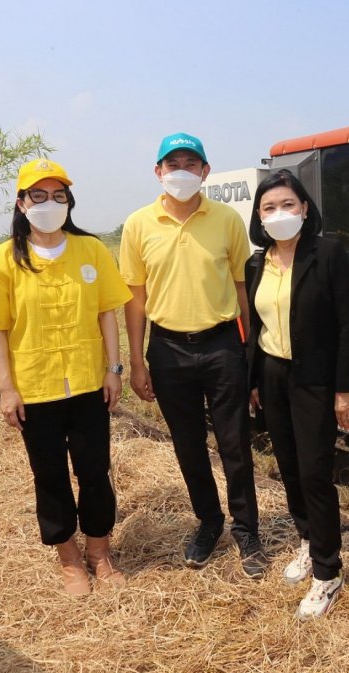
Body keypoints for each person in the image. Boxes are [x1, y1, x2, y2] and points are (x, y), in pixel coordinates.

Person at [0, 159, 132, 596]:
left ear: (69, 203)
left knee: (95, 470)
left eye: (59, 196)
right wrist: (6, 388)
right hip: (36, 389)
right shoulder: (2, 259)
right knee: (50, 475)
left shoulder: (91, 250)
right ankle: (70, 560)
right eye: (38, 195)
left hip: (89, 384)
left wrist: (114, 370)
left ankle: (100, 552)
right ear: (21, 203)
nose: (49, 203)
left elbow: (106, 314)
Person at [119, 132, 268, 578]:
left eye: (190, 163)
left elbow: (243, 288)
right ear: (158, 172)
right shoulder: (138, 225)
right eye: (172, 164)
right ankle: (208, 523)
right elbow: (136, 298)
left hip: (223, 344)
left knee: (235, 444)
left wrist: (250, 352)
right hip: (167, 349)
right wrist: (138, 361)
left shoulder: (225, 219)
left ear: (205, 171)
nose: (181, 171)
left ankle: (247, 531)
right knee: (188, 446)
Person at [245, 169, 349, 618]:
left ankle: (328, 574)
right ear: (259, 215)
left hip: (315, 378)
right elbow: (257, 328)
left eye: (288, 205)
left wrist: (345, 390)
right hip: (273, 375)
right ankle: (308, 542)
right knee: (289, 468)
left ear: (305, 208)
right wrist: (254, 380)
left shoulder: (327, 253)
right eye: (269, 207)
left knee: (315, 472)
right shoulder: (258, 262)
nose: (280, 214)